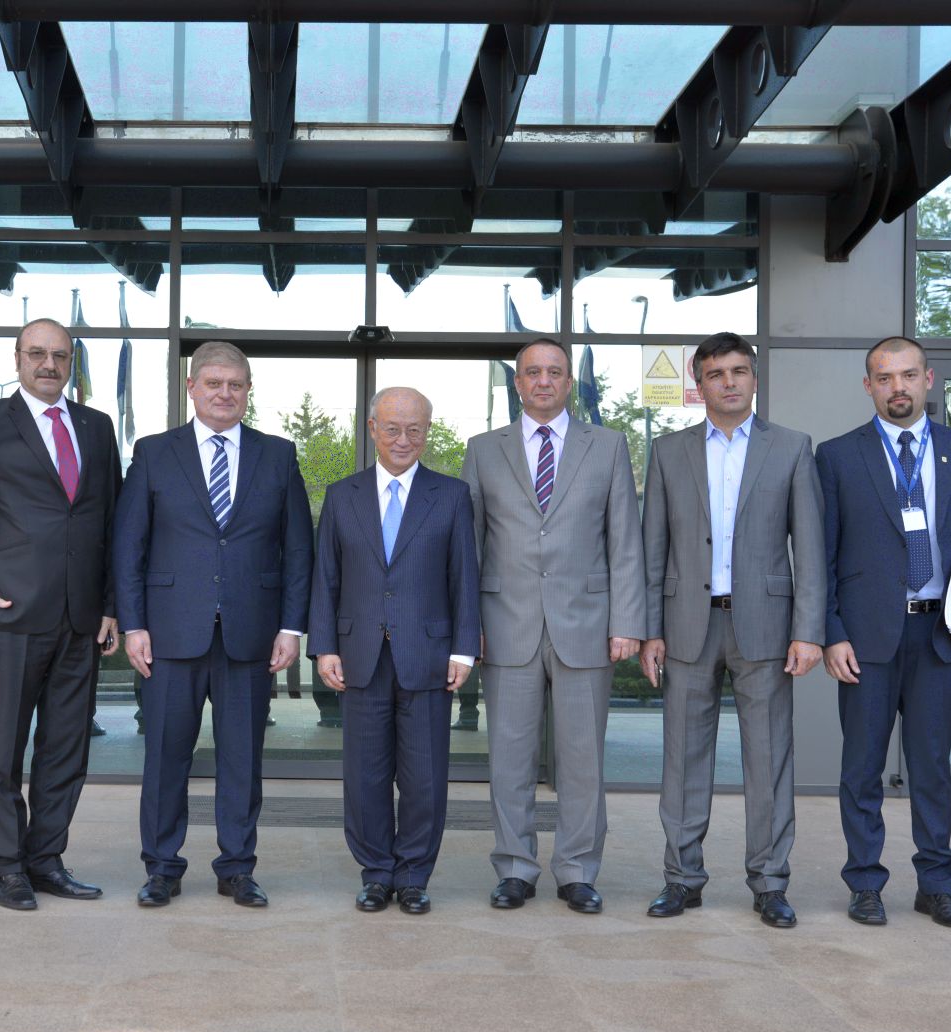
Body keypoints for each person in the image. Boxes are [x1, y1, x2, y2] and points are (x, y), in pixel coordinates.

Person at [0, 318, 120, 911]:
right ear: (16, 359)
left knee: (67, 749)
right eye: (36, 353)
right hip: (11, 615)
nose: (48, 364)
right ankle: (7, 865)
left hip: (82, 618)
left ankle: (47, 860)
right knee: (5, 752)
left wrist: (112, 605)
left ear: (71, 362)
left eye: (59, 355)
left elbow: (113, 523)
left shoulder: (96, 426)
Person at [817, 336, 951, 928]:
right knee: (861, 769)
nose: (896, 387)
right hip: (866, 640)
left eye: (906, 375)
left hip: (940, 638)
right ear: (868, 386)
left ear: (928, 379)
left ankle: (937, 885)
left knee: (932, 768)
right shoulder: (837, 456)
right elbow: (821, 556)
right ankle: (865, 883)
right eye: (884, 378)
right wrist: (831, 632)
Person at [112, 341, 311, 908]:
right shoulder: (155, 452)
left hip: (251, 635)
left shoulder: (278, 455)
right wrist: (133, 624)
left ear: (248, 391)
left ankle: (237, 868)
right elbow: (129, 545)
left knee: (242, 761)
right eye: (214, 383)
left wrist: (292, 626)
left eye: (236, 385)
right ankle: (161, 867)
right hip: (169, 633)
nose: (225, 393)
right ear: (192, 388)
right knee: (165, 758)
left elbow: (299, 549)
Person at [639, 332, 826, 928]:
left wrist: (808, 630)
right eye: (716, 374)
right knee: (682, 760)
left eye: (738, 371)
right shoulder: (668, 451)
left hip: (766, 627)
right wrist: (649, 629)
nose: (728, 382)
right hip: (686, 626)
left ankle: (769, 883)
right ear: (699, 385)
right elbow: (653, 549)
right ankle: (681, 879)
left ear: (754, 378)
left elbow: (810, 549)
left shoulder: (791, 448)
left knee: (768, 760)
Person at [462, 337, 644, 915]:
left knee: (582, 761)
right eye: (532, 372)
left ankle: (577, 871)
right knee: (509, 759)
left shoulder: (608, 445)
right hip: (504, 624)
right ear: (518, 382)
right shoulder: (483, 449)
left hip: (587, 624)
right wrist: (468, 627)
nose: (543, 381)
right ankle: (515, 868)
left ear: (569, 382)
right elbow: (469, 546)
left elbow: (625, 540)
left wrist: (627, 621)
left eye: (554, 372)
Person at [309, 386, 479, 914]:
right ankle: (377, 872)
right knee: (365, 776)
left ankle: (413, 876)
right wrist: (323, 647)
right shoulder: (342, 495)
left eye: (414, 429)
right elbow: (326, 577)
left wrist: (464, 650)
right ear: (372, 429)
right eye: (392, 428)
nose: (403, 439)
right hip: (358, 655)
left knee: (425, 777)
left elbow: (464, 578)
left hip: (428, 656)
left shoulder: (451, 495)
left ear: (426, 432)